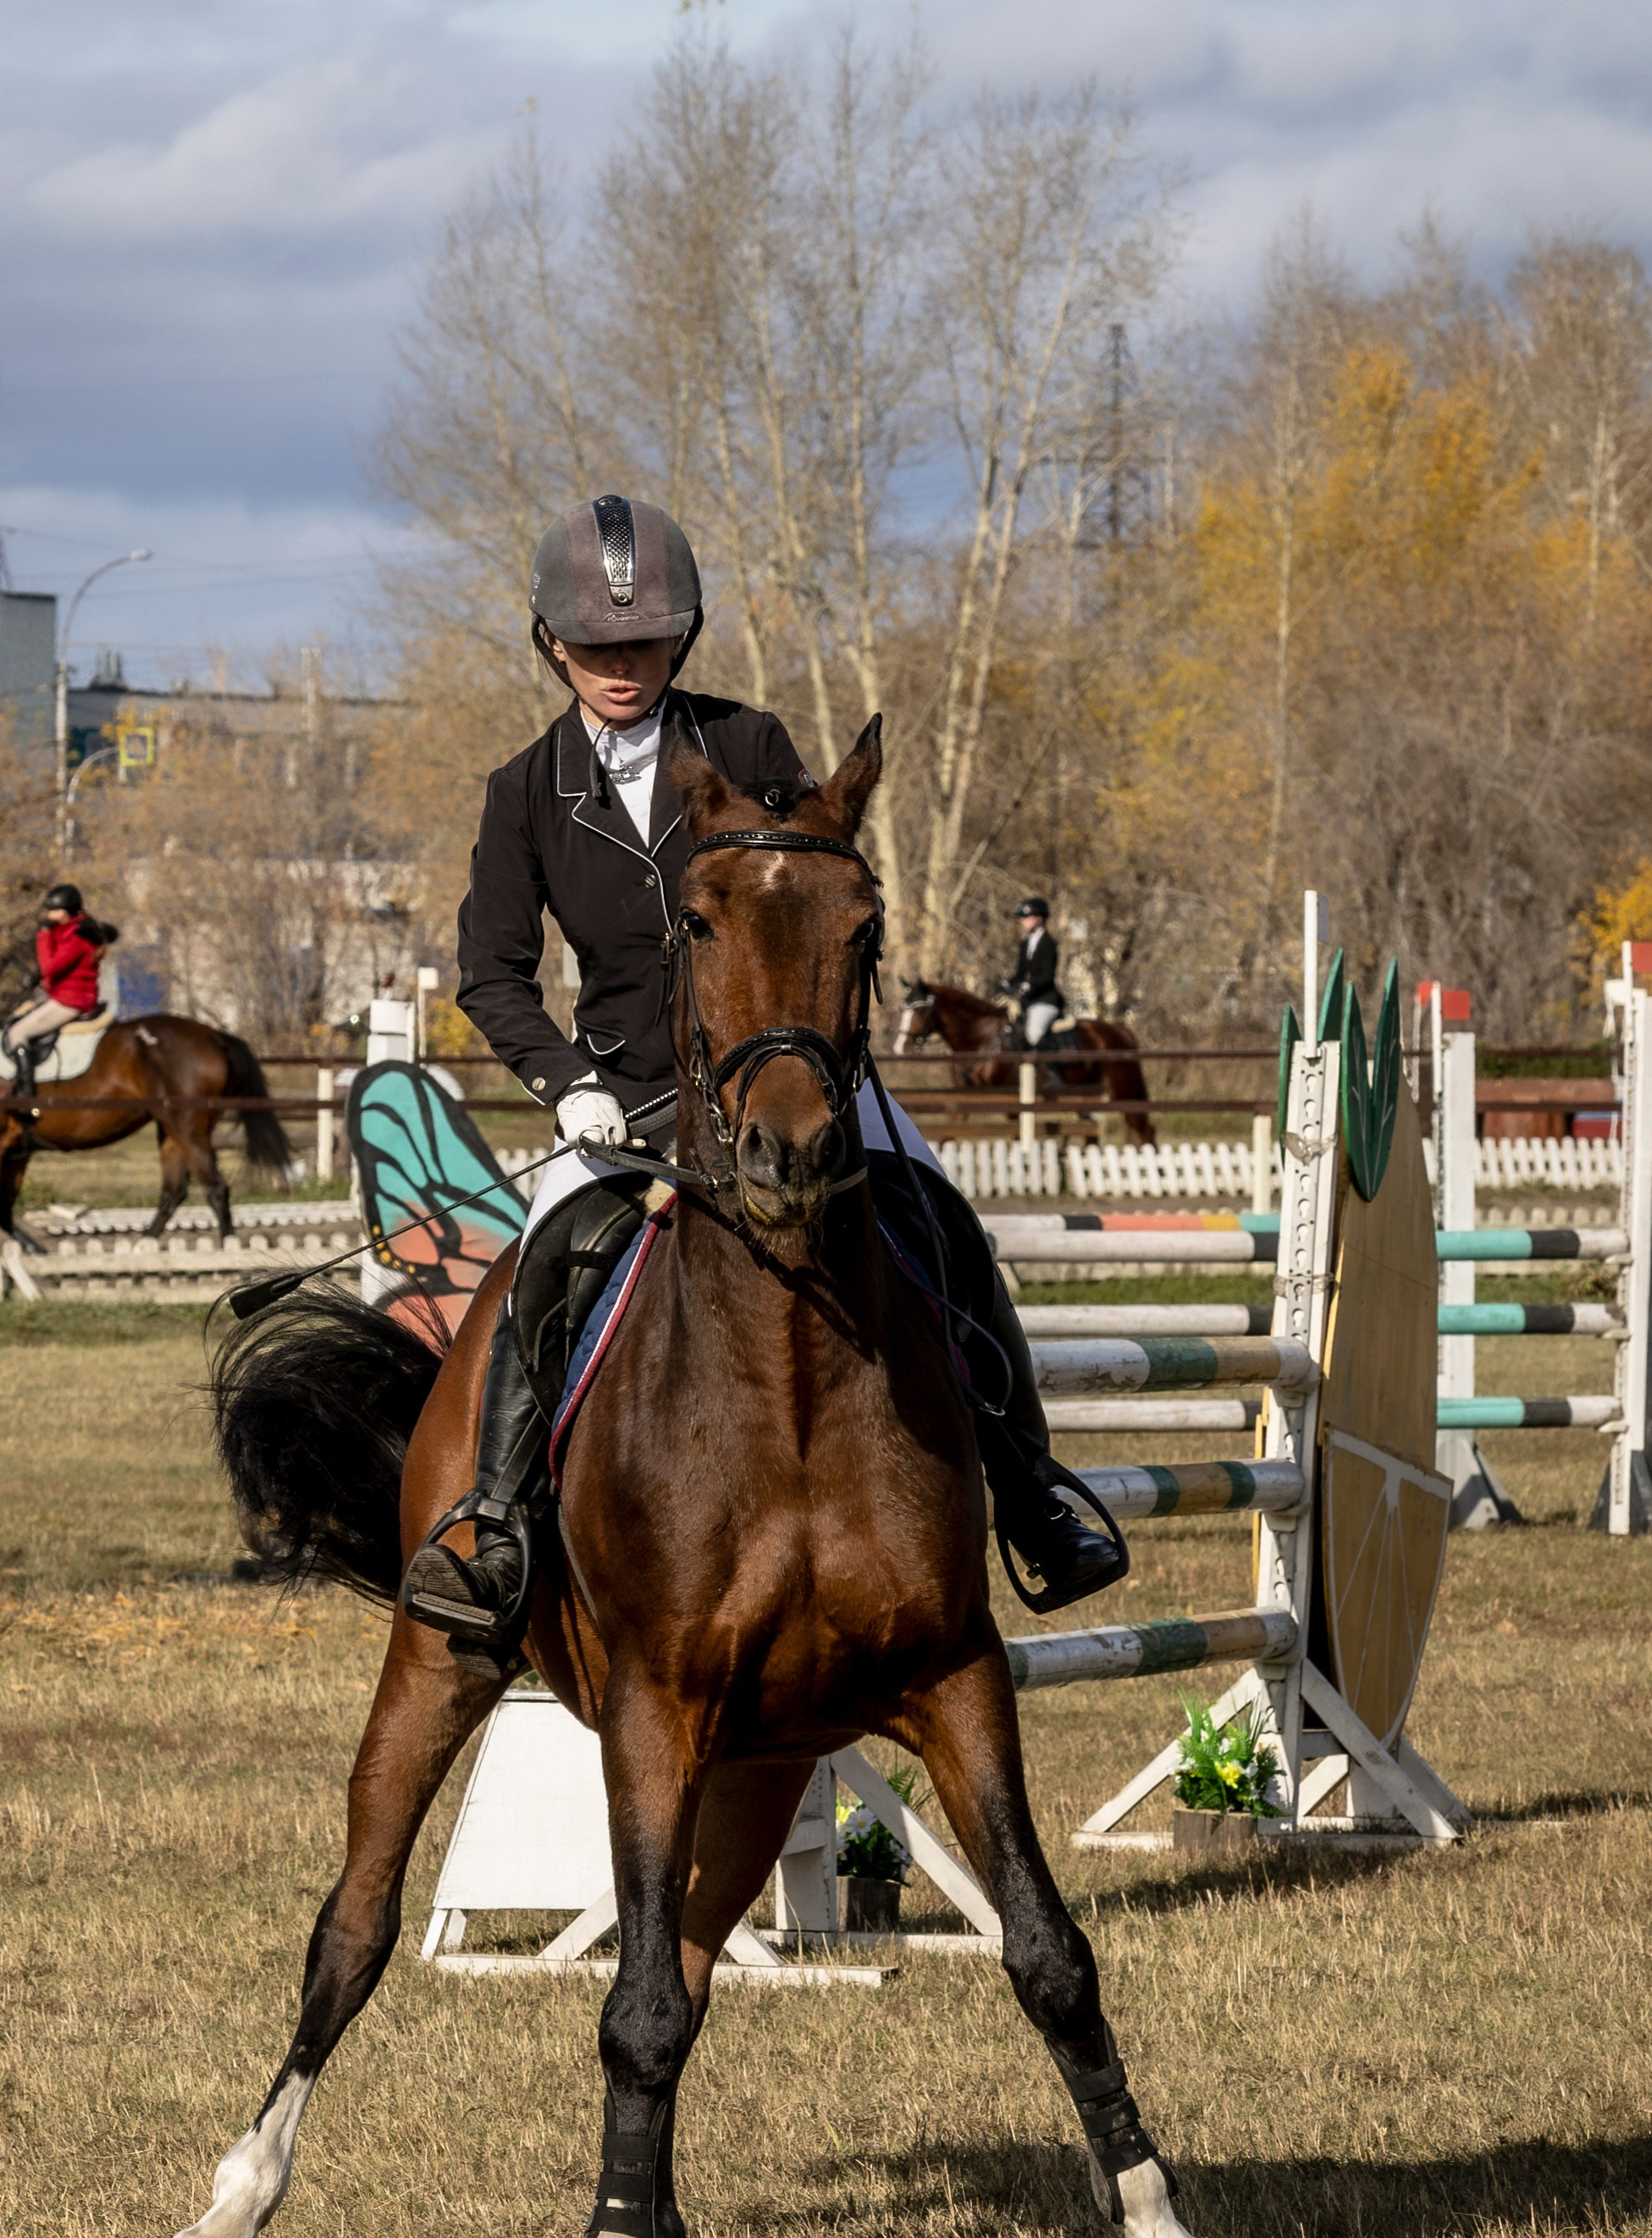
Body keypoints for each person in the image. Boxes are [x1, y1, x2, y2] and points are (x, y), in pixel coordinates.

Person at [401, 494, 1122, 1663]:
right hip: (625, 1091)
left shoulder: (750, 744)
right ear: (551, 645)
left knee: (942, 1221)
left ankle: (1031, 1492)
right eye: (596, 648)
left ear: (678, 639)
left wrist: (814, 1053)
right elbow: (492, 974)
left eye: (642, 644)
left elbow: (808, 903)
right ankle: (495, 1527)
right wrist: (564, 1080)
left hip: (789, 1072)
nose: (620, 667)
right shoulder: (522, 792)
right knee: (541, 1267)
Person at [2, 886, 115, 1096]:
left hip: (71, 1001)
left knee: (17, 1033)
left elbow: (51, 966)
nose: (48, 914)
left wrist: (43, 935)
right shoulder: (72, 928)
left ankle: (25, 1093)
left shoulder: (80, 936)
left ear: (66, 911)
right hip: (63, 996)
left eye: (53, 910)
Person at [999, 896, 1065, 1049]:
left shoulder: (1048, 943)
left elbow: (1047, 976)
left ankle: (1052, 1070)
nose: (1022, 921)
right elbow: (1020, 973)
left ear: (1039, 919)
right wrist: (1007, 983)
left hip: (1046, 1000)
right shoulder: (1025, 944)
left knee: (1034, 1034)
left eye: (1026, 918)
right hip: (1028, 1000)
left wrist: (1028, 985)